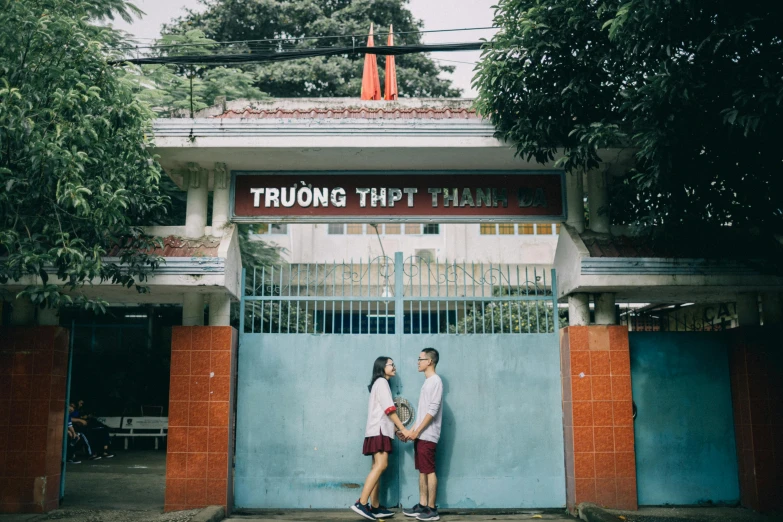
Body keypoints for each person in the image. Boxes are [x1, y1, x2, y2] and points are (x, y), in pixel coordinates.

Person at [351, 356, 414, 521]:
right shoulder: (382, 382)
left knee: (376, 467)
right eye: (390, 364)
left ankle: (375, 507)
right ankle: (361, 503)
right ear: (381, 367)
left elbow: (381, 412)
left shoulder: (379, 384)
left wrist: (394, 429)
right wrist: (403, 429)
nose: (394, 367)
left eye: (394, 364)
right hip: (378, 431)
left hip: (377, 430)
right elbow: (389, 410)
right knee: (381, 465)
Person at [402, 348, 443, 522]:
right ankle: (423, 504)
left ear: (430, 361)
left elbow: (432, 411)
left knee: (429, 471)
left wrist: (417, 431)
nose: (418, 362)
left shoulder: (436, 381)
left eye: (420, 359)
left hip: (428, 435)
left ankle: (432, 509)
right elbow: (422, 413)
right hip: (420, 435)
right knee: (422, 471)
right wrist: (412, 432)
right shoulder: (427, 382)